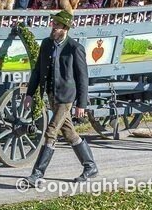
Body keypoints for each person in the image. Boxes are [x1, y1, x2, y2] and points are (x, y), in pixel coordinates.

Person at [22, 10, 98, 185]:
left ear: (65, 28)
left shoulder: (75, 48)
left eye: (56, 25)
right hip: (51, 94)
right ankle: (90, 166)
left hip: (66, 97)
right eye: (53, 24)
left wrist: (82, 104)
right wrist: (30, 94)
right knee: (69, 132)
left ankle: (37, 174)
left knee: (51, 132)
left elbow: (82, 78)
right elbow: (38, 71)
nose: (53, 27)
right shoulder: (47, 44)